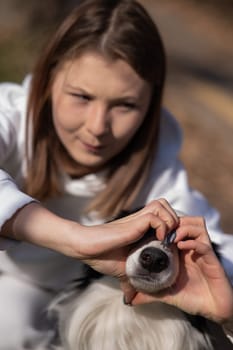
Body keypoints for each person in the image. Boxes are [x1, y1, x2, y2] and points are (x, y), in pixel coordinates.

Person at [0, 0, 232, 347]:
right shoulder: (11, 118)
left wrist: (227, 307)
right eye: (81, 96)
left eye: (124, 105)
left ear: (150, 105)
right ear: (47, 82)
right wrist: (78, 239)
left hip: (86, 297)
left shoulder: (157, 169)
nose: (97, 127)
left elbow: (221, 248)